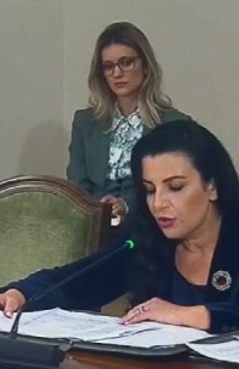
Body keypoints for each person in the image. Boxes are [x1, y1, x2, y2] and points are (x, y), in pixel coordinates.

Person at [0, 120, 239, 339]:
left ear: (212, 186)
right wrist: (19, 294)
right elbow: (74, 282)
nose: (158, 204)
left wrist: (192, 316)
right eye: (149, 189)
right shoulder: (145, 240)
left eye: (175, 187)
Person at [67, 22, 189, 224]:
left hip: (149, 222)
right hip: (93, 222)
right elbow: (77, 181)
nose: (117, 73)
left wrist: (125, 205)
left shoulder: (173, 123)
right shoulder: (85, 122)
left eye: (126, 62)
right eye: (108, 66)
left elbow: (172, 188)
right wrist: (98, 208)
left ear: (146, 66)